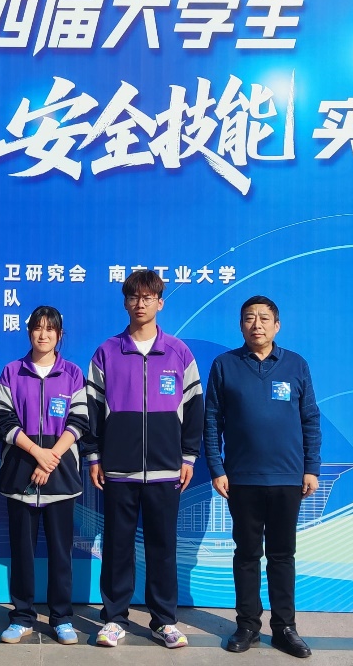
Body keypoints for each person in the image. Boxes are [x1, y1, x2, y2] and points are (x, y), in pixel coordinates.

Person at [84, 269, 203, 649]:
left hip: (166, 468)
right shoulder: (107, 352)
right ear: (125, 302)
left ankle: (163, 621)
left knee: (162, 547)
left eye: (148, 297)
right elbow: (91, 410)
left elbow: (194, 408)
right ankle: (114, 619)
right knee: (117, 546)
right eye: (134, 297)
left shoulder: (179, 353)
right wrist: (94, 456)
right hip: (119, 468)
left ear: (160, 303)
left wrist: (188, 457)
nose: (140, 304)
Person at [204, 295, 321, 659]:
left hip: (287, 477)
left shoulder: (296, 364)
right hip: (242, 479)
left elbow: (310, 418)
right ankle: (247, 625)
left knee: (283, 555)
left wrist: (311, 467)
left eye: (264, 318)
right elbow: (212, 420)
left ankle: (285, 628)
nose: (257, 324)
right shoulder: (225, 365)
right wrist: (217, 468)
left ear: (277, 325)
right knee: (247, 554)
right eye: (249, 318)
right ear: (241, 325)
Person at [0, 306, 88, 646]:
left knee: (61, 554)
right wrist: (37, 453)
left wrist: (51, 459)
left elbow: (79, 422)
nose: (43, 335)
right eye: (37, 328)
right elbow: (2, 420)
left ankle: (61, 618)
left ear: (59, 335)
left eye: (50, 329)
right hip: (20, 476)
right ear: (29, 332)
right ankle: (21, 617)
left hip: (60, 479)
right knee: (22, 553)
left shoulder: (73, 374)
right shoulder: (11, 372)